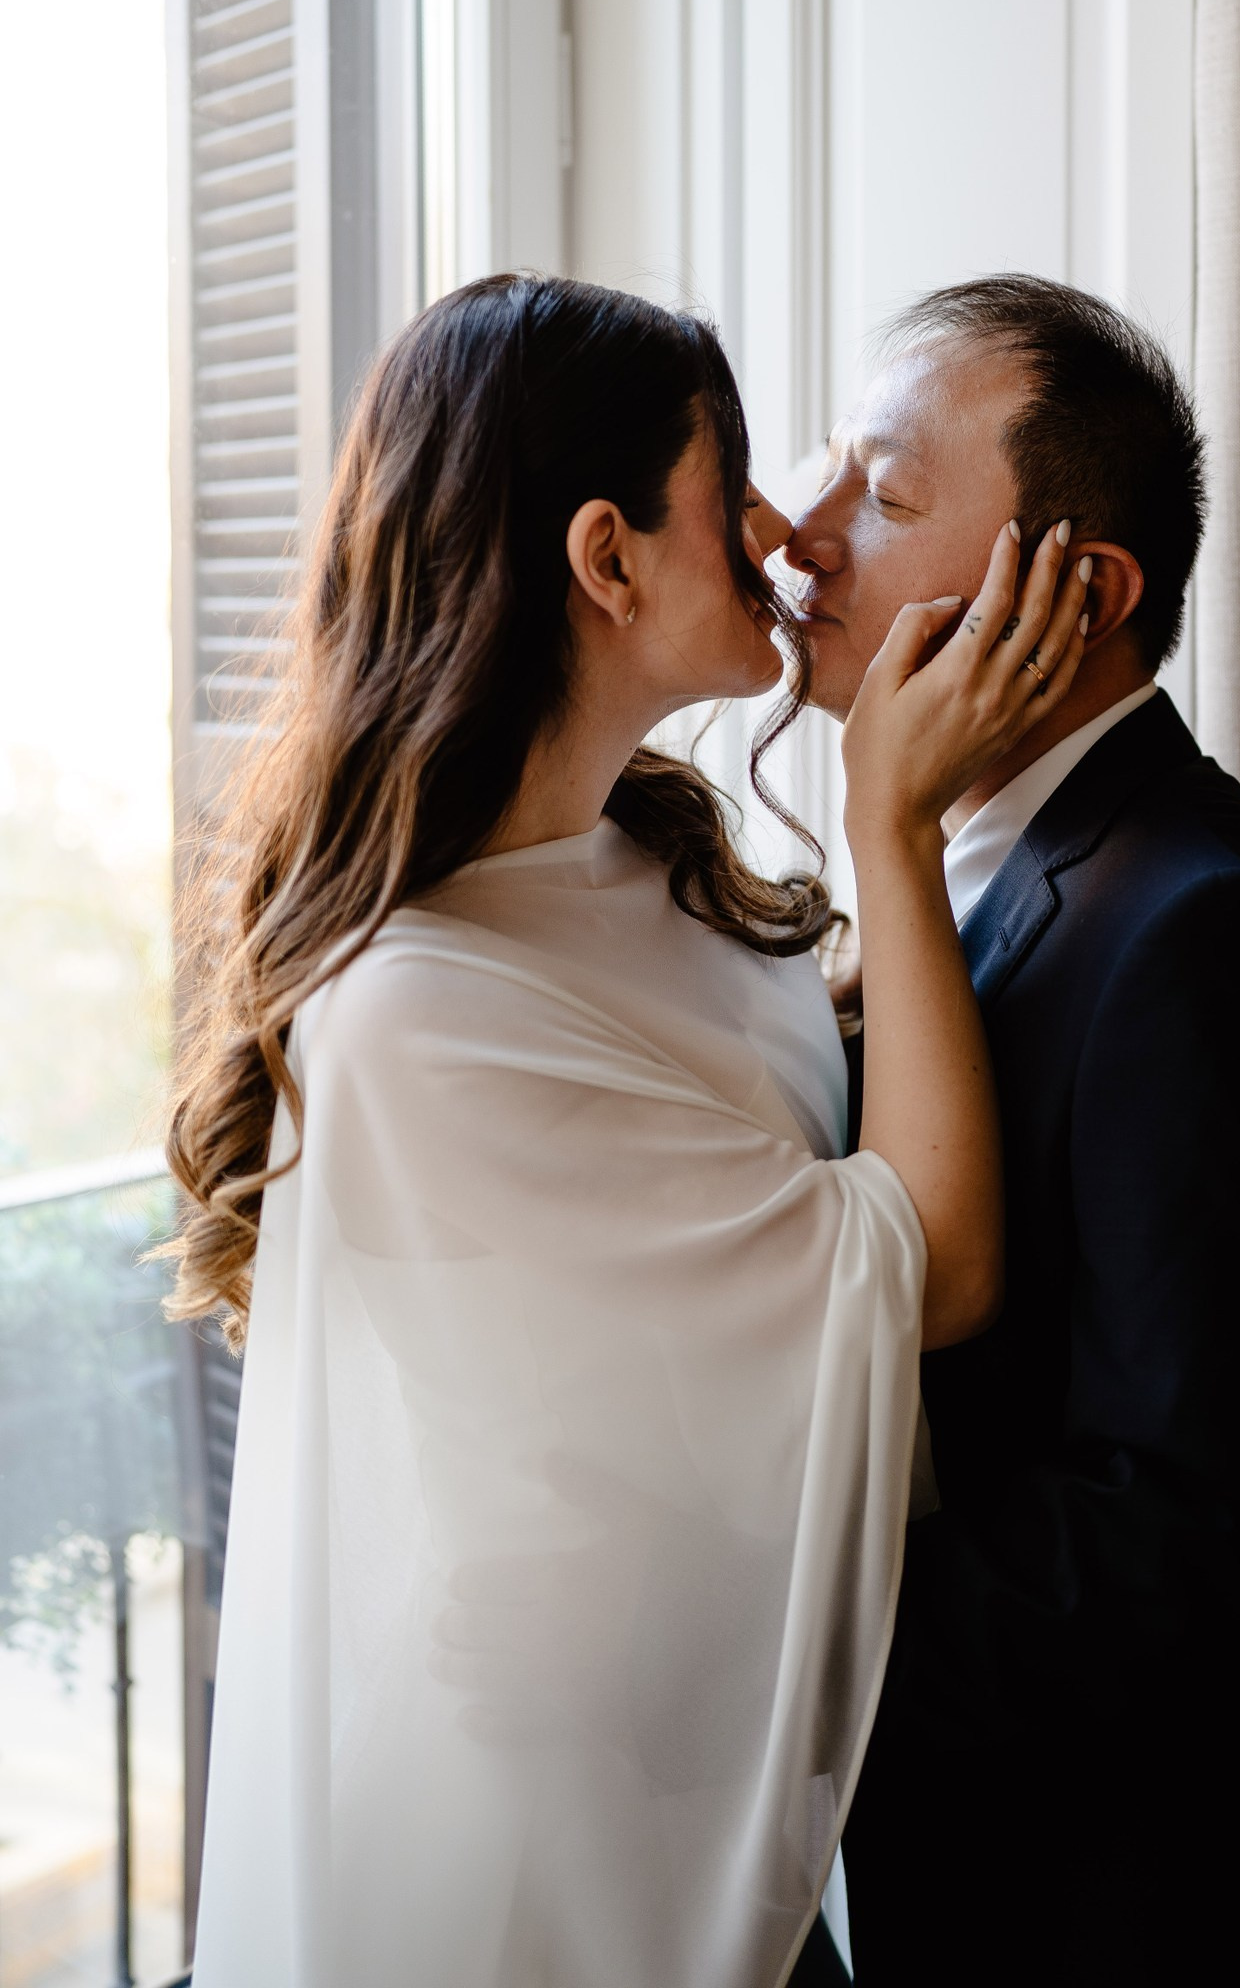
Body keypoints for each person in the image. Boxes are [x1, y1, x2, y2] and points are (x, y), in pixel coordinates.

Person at [161, 272, 1088, 1988]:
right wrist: (888, 817)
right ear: (606, 559)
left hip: (715, 1787)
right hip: (549, 1866)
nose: (778, 528)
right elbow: (933, 1273)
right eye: (728, 469)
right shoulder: (415, 1014)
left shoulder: (654, 866)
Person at [787, 275, 1240, 1984]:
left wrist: (748, 1661)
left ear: (1080, 592)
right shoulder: (959, 882)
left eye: (884, 500)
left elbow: (1184, 1540)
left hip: (1189, 1916)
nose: (803, 538)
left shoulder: (1210, 937)